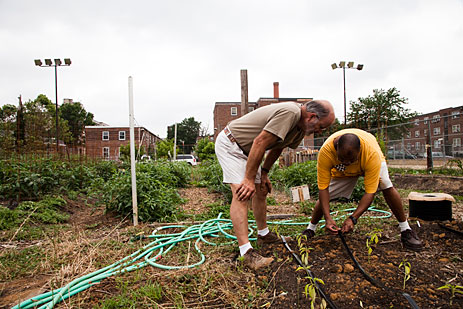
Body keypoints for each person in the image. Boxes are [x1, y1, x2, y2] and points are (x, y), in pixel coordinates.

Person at [215, 100, 335, 270]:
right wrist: (248, 179)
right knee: (242, 193)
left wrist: (264, 172)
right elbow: (260, 142)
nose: (320, 131)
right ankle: (246, 253)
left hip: (248, 150)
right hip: (231, 144)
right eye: (321, 126)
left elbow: (278, 148)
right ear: (312, 117)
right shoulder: (291, 113)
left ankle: (263, 234)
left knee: (261, 190)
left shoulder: (300, 128)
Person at [301, 128, 423, 251]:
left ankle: (406, 229)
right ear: (336, 148)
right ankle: (311, 228)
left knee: (386, 184)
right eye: (343, 159)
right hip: (341, 169)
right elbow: (323, 189)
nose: (348, 163)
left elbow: (370, 192)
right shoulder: (326, 152)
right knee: (329, 194)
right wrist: (328, 218)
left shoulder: (371, 153)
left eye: (351, 160)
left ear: (360, 151)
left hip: (368, 161)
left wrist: (353, 218)